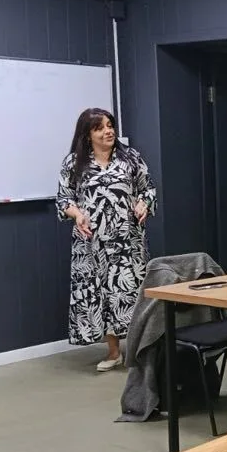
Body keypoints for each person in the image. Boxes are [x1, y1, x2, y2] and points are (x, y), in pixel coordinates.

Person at [56, 108, 155, 371]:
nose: (108, 131)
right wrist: (76, 214)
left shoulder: (131, 158)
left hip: (127, 242)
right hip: (91, 244)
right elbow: (64, 199)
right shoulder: (74, 162)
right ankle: (113, 352)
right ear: (88, 134)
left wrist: (144, 204)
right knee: (100, 295)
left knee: (131, 294)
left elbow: (148, 189)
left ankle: (140, 352)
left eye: (110, 125)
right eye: (99, 127)